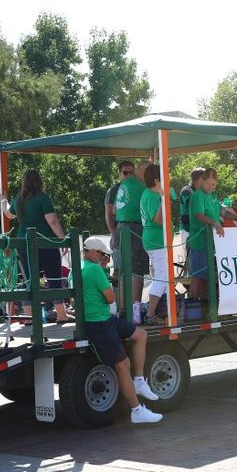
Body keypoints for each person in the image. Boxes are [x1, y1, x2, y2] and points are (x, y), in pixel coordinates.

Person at [80, 236, 162, 424]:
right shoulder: (94, 270)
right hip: (100, 322)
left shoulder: (79, 268)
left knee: (141, 334)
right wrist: (102, 273)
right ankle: (136, 410)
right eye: (101, 255)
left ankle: (140, 381)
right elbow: (110, 298)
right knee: (123, 365)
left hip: (102, 319)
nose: (103, 258)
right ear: (92, 252)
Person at [0, 169, 72, 323]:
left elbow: (9, 214)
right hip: (45, 241)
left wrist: (3, 200)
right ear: (39, 181)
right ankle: (61, 314)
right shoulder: (43, 198)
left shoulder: (18, 199)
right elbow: (52, 220)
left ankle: (30, 317)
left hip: (23, 241)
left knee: (29, 279)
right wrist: (62, 239)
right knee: (53, 277)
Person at [188, 168, 237, 300]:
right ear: (202, 181)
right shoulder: (198, 195)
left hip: (212, 242)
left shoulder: (212, 196)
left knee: (208, 275)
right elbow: (199, 215)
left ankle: (205, 304)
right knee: (198, 276)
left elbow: (223, 212)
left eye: (213, 185)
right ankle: (193, 303)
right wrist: (214, 223)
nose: (210, 187)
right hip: (200, 242)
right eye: (208, 184)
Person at [114, 160, 150, 322]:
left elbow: (114, 210)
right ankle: (135, 310)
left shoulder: (125, 184)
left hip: (121, 227)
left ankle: (123, 308)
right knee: (137, 270)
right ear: (143, 171)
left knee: (124, 270)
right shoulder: (142, 187)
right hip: (135, 228)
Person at [140, 164, 173, 325]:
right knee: (163, 277)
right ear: (156, 180)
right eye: (164, 177)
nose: (168, 179)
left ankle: (159, 310)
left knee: (162, 276)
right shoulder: (151, 195)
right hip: (156, 241)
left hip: (157, 240)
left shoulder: (150, 193)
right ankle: (150, 313)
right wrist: (163, 198)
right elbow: (158, 219)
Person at [104, 160, 135, 278]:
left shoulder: (137, 187)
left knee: (134, 271)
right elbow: (108, 214)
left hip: (134, 233)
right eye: (125, 172)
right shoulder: (114, 190)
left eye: (132, 173)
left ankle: (131, 296)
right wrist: (114, 234)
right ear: (120, 174)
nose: (129, 175)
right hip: (119, 233)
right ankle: (117, 295)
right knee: (119, 270)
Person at [179, 167, 205, 245]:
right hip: (188, 230)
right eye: (204, 178)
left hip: (198, 230)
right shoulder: (186, 191)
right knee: (190, 256)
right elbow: (194, 206)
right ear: (198, 179)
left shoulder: (201, 191)